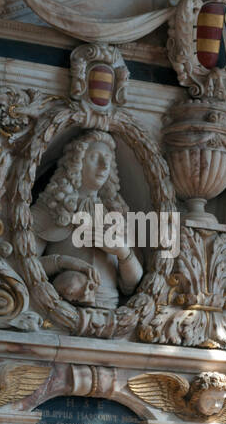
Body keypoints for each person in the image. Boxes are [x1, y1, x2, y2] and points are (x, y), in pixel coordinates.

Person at [29, 131, 143, 310]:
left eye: (108, 159)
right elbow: (26, 265)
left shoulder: (117, 214)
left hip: (109, 310)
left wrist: (122, 251)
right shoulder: (51, 207)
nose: (104, 165)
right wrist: (66, 263)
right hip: (59, 308)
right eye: (94, 157)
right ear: (76, 162)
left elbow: (131, 285)